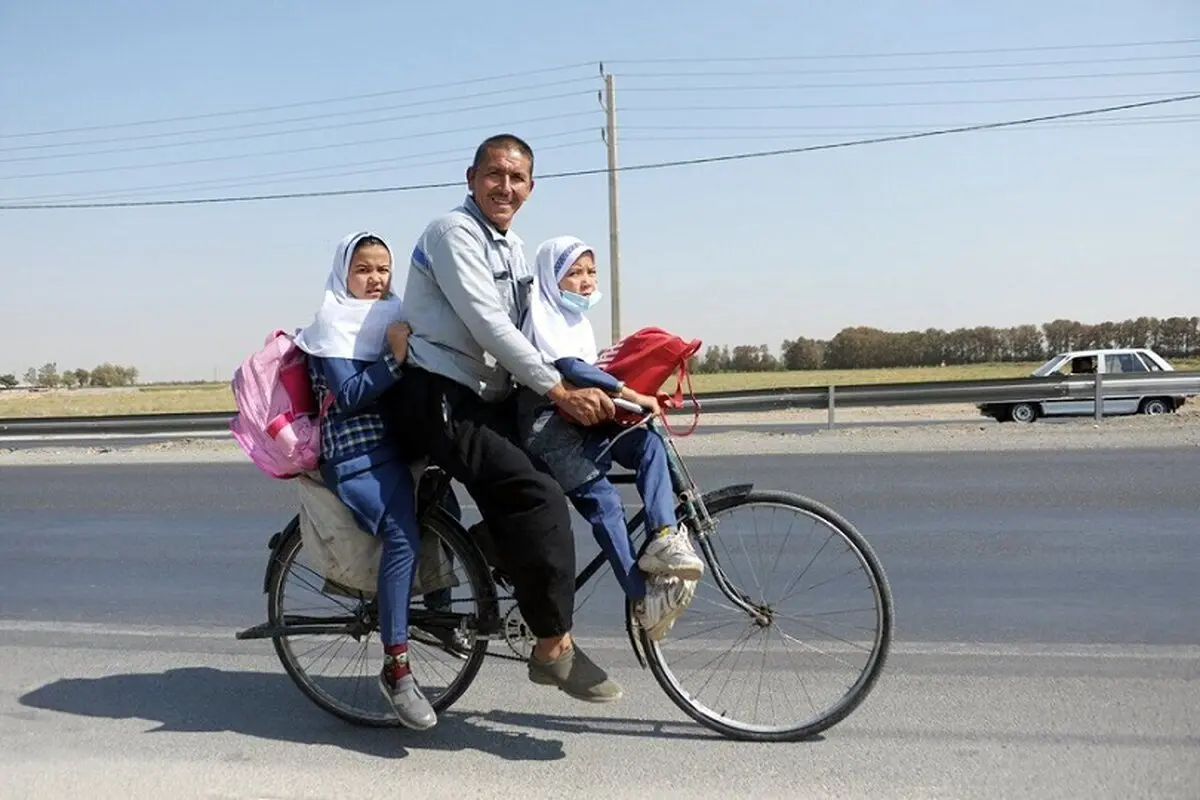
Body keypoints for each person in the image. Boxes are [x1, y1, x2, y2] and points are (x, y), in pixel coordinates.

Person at [378, 134, 624, 703]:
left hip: (483, 395)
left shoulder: (512, 248)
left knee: (548, 465)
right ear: (471, 178)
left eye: (517, 179)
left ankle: (494, 552)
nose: (505, 187)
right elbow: (491, 326)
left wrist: (600, 377)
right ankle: (552, 648)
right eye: (495, 175)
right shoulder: (452, 233)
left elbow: (534, 328)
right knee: (536, 493)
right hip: (435, 394)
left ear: (530, 188)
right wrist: (559, 390)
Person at [516, 235, 703, 641]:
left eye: (591, 272)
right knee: (606, 504)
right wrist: (635, 395)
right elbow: (573, 369)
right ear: (551, 278)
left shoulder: (575, 322)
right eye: (574, 273)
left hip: (583, 419)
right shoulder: (543, 318)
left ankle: (664, 537)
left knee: (648, 442)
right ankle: (641, 598)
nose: (586, 282)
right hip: (549, 431)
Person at [293, 231, 437, 730]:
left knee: (445, 510)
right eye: (363, 270)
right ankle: (396, 667)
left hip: (398, 445)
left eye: (382, 269)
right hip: (355, 455)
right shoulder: (332, 323)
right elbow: (351, 395)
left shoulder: (394, 313)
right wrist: (394, 357)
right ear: (343, 275)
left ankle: (440, 614)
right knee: (401, 535)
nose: (375, 279)